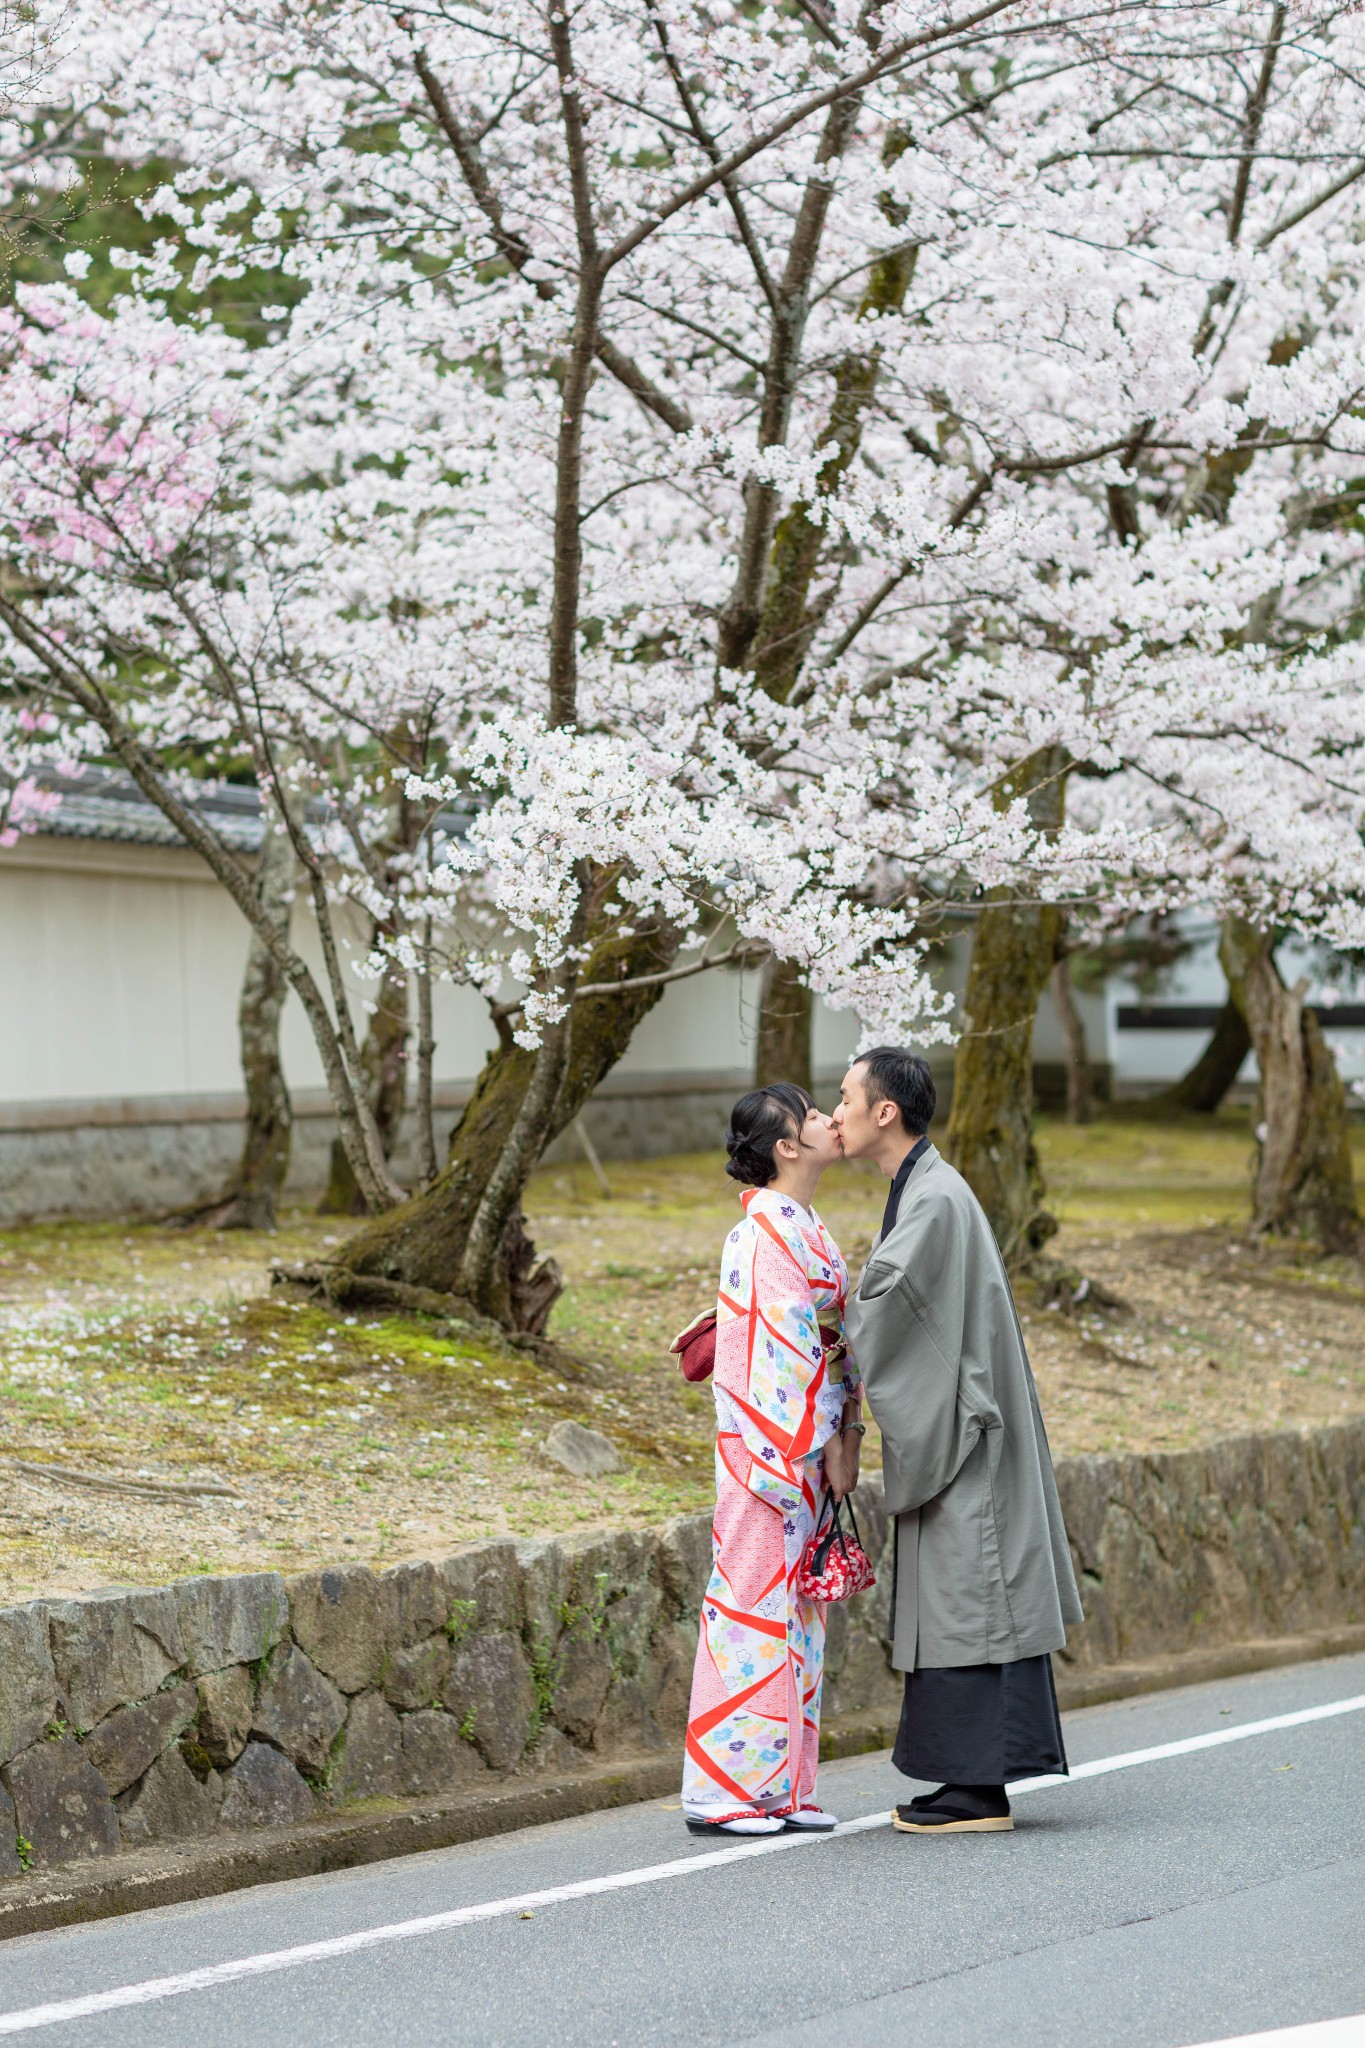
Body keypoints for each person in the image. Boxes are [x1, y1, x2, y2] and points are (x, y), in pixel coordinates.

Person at [835, 1047, 1082, 1835]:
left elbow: (885, 1306)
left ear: (884, 1112)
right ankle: (973, 1781)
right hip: (972, 1421)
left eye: (844, 1099)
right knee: (971, 1594)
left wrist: (810, 1314)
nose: (834, 1114)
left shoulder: (934, 1200)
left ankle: (976, 1789)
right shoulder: (929, 1189)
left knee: (970, 1594)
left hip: (968, 1433)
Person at [680, 1082, 865, 1837]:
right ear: (786, 1146)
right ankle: (721, 1792)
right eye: (814, 1114)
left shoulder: (803, 1226)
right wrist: (809, 1446)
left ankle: (782, 1788)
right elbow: (771, 1356)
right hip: (767, 1451)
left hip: (805, 1446)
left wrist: (845, 1434)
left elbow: (828, 1340)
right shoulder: (758, 1237)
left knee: (797, 1614)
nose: (829, 1119)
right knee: (749, 1609)